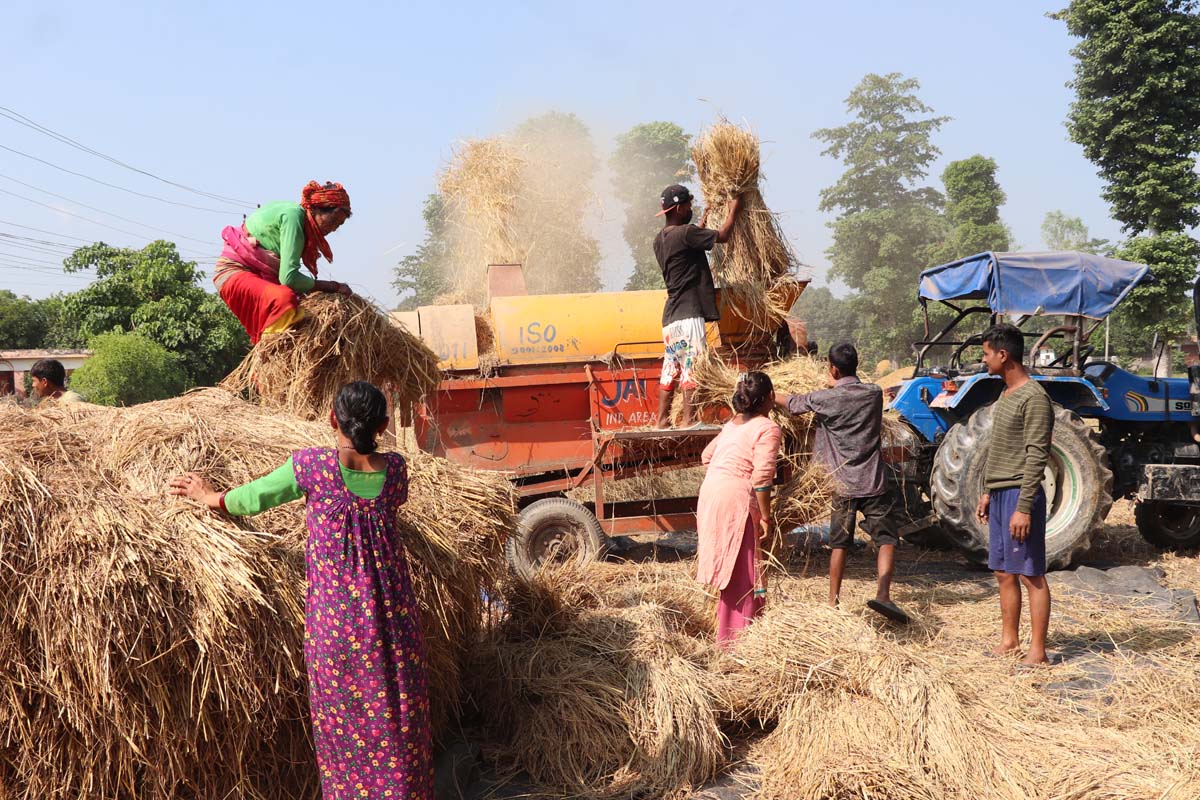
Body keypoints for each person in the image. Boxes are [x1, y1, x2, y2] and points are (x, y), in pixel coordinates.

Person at [169, 381, 433, 799]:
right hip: (395, 626)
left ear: (332, 420)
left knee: (344, 730)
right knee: (397, 721)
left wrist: (210, 496)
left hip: (337, 629)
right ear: (384, 425)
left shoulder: (311, 467)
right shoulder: (396, 470)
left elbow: (251, 499)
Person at [776, 342, 910, 623]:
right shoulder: (873, 393)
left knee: (840, 544)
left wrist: (768, 392)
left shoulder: (826, 398)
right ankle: (883, 595)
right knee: (887, 539)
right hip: (873, 480)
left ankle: (832, 602)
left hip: (842, 484)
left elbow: (792, 404)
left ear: (833, 369)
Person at [975, 324, 1054, 666]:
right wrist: (987, 491)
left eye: (986, 353)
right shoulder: (1005, 395)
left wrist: (1023, 508)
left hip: (1021, 494)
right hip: (1000, 493)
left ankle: (1038, 650)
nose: (984, 359)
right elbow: (999, 449)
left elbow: (1037, 455)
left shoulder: (1034, 398)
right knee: (1003, 572)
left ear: (1003, 355)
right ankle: (1010, 641)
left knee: (1030, 574)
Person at [696, 371, 782, 646]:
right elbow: (762, 478)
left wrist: (725, 474)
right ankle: (735, 641)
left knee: (729, 565)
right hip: (735, 500)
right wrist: (766, 516)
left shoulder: (732, 425)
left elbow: (706, 456)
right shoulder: (767, 428)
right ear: (770, 397)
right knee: (743, 572)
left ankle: (728, 631)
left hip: (711, 494)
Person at [214, 181, 355, 344]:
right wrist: (333, 286)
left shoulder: (301, 223)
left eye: (339, 225)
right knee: (284, 299)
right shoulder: (293, 216)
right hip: (233, 273)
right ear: (317, 209)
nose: (334, 228)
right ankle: (271, 350)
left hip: (257, 278)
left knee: (300, 312)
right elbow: (289, 279)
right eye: (333, 220)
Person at [653, 184, 742, 429]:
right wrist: (734, 209)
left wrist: (699, 226)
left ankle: (661, 420)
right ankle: (688, 420)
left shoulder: (660, 240)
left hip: (670, 319)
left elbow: (686, 246)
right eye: (689, 205)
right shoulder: (686, 233)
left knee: (670, 369)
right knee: (692, 365)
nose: (691, 209)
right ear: (679, 208)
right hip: (689, 314)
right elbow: (723, 236)